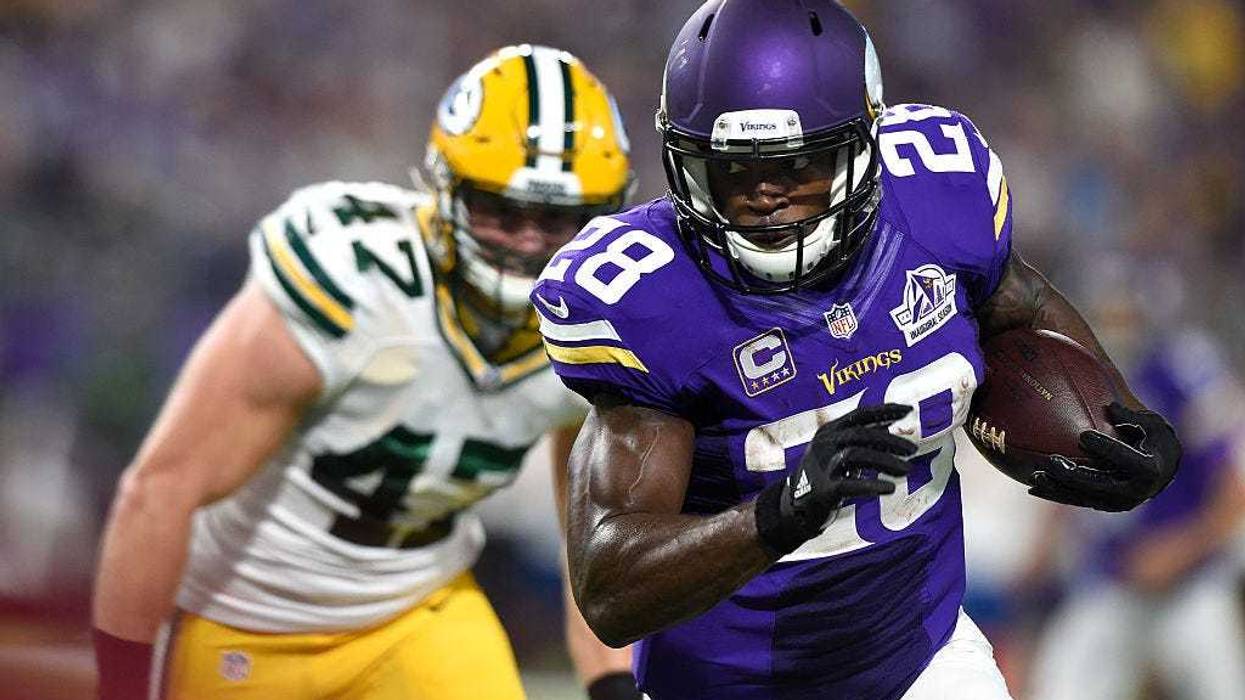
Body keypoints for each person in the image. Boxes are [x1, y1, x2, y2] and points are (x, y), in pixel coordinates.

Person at [532, 2, 1182, 698]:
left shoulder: (937, 204)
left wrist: (1120, 417)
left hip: (919, 655)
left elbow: (1017, 302)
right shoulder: (650, 301)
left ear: (865, 145)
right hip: (724, 685)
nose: (763, 198)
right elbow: (610, 589)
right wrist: (780, 511)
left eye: (799, 166)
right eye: (730, 172)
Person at [93, 44, 639, 700]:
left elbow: (595, 542)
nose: (529, 241)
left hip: (418, 610)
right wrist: (122, 686)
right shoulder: (354, 282)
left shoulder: (597, 327)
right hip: (245, 615)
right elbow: (157, 491)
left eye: (557, 219)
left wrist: (613, 685)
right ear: (444, 190)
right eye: (502, 210)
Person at [1026, 286, 1245, 699]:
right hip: (1113, 580)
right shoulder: (1073, 381)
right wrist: (1044, 542)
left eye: (1121, 313)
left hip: (1190, 585)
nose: (1112, 326)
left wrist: (1183, 547)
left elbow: (1234, 487)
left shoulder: (1179, 369)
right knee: (1057, 689)